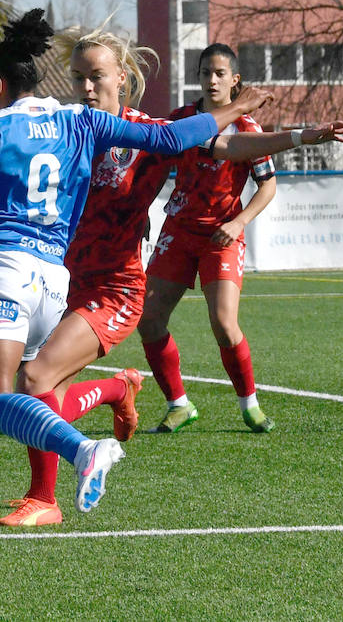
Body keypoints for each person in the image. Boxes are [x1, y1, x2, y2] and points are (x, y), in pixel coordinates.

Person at [0, 8, 236, 565]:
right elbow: (172, 138)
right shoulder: (78, 121)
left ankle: (83, 450)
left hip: (0, 273)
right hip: (52, 285)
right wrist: (237, 109)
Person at [0, 27, 343, 527]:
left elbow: (229, 146)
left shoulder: (152, 135)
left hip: (115, 289)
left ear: (121, 77)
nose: (85, 87)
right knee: (28, 394)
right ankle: (114, 395)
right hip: (60, 283)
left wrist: (302, 135)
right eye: (77, 77)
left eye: (96, 76)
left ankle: (45, 500)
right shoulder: (66, 126)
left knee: (34, 381)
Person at [139, 43, 286, 434]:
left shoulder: (247, 128)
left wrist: (239, 223)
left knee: (223, 323)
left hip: (221, 234)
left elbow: (268, 186)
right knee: (148, 319)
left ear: (234, 80)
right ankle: (179, 404)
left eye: (220, 73)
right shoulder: (183, 119)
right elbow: (155, 168)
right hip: (179, 230)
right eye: (206, 72)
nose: (212, 79)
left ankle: (250, 405)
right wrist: (141, 212)